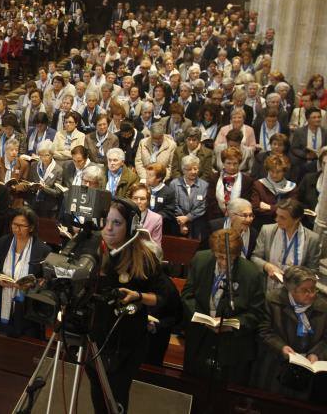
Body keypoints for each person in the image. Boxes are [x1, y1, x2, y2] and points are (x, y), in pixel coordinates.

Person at [89, 197, 167, 414]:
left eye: (117, 223)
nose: (109, 228)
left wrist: (139, 296)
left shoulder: (145, 257)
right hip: (94, 338)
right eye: (106, 221)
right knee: (98, 398)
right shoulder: (92, 248)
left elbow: (164, 298)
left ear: (132, 226)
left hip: (125, 344)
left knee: (115, 400)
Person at [182, 230, 267, 386]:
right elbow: (188, 295)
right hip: (200, 337)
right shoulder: (201, 260)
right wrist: (200, 318)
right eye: (219, 257)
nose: (223, 263)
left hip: (232, 345)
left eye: (229, 258)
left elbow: (256, 313)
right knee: (193, 385)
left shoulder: (251, 274)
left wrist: (231, 325)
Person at [253, 266, 327, 403]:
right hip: (274, 367)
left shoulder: (323, 307)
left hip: (306, 372)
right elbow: (264, 331)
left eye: (314, 289)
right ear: (291, 290)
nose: (311, 294)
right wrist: (281, 347)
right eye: (305, 290)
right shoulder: (273, 301)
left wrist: (316, 353)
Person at [0, 206, 51, 338]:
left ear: (31, 227)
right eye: (14, 224)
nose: (17, 229)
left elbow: (46, 279)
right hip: (5, 301)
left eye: (21, 226)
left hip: (28, 309)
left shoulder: (42, 250)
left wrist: (34, 285)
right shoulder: (1, 243)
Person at [251, 199, 322, 290]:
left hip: (295, 291)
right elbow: (255, 257)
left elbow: (313, 271)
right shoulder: (267, 231)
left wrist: (300, 279)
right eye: (277, 215)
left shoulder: (312, 239)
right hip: (268, 288)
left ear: (297, 219)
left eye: (282, 217)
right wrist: (267, 266)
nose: (277, 220)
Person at [17, 140, 63, 219]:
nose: (44, 158)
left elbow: (57, 192)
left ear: (52, 155)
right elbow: (30, 182)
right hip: (34, 204)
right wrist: (30, 186)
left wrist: (43, 188)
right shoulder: (34, 165)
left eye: (47, 155)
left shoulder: (58, 169)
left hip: (49, 207)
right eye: (41, 155)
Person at [206, 146, 254, 221]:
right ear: (223, 163)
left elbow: (245, 201)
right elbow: (211, 200)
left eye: (235, 163)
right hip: (216, 217)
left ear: (239, 163)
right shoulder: (214, 178)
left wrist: (233, 214)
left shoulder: (247, 180)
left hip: (239, 218)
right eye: (228, 163)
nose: (232, 167)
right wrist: (223, 214)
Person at [250, 154, 297, 228]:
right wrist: (280, 210)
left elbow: (291, 211)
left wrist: (269, 207)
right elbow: (255, 208)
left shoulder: (291, 187)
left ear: (284, 171)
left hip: (284, 226)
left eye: (278, 172)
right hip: (262, 225)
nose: (274, 175)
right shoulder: (258, 185)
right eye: (271, 171)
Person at [171, 155, 209, 240]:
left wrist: (188, 218)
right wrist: (182, 223)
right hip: (178, 221)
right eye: (189, 169)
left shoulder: (204, 185)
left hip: (197, 223)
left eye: (195, 169)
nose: (193, 172)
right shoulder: (174, 184)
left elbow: (202, 207)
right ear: (183, 170)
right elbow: (174, 204)